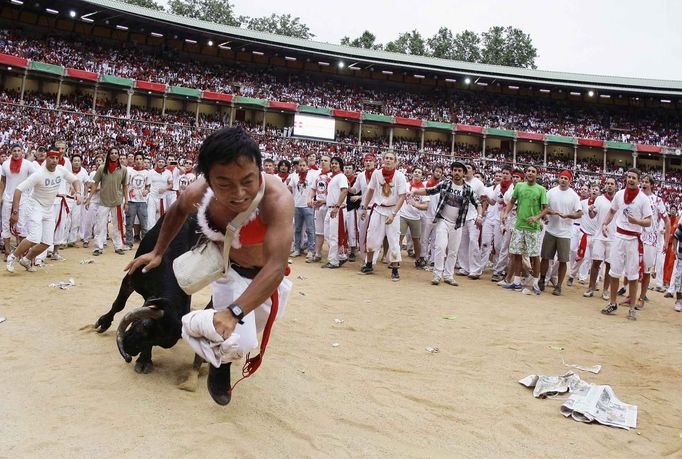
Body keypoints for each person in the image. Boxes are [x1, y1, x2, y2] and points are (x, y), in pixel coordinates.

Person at [125, 126, 294, 406]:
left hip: (268, 279)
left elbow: (275, 268)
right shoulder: (199, 192)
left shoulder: (277, 200)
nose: (239, 193)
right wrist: (158, 251)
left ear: (260, 171)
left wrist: (234, 312)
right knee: (235, 342)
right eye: (225, 183)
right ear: (208, 179)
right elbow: (178, 209)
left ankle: (206, 331)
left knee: (249, 339)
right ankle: (219, 362)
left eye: (248, 181)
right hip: (230, 271)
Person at [6, 148, 81, 272]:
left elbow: (75, 180)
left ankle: (26, 260)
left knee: (47, 242)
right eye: (52, 158)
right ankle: (12, 257)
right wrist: (15, 211)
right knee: (34, 238)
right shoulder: (39, 173)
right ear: (46, 158)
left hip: (48, 208)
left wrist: (78, 192)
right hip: (35, 206)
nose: (54, 161)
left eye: (57, 158)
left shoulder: (61, 170)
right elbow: (18, 189)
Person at [411, 161, 481, 286]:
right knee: (440, 246)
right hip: (443, 220)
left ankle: (448, 275)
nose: (457, 173)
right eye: (455, 170)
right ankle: (437, 275)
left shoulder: (468, 189)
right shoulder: (446, 184)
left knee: (453, 251)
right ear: (452, 171)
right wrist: (415, 192)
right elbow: (430, 191)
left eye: (460, 170)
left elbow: (478, 203)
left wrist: (479, 215)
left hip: (457, 224)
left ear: (464, 173)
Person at [600, 168, 652, 320]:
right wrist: (604, 224)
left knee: (633, 276)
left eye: (634, 178)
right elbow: (612, 211)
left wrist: (636, 221)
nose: (630, 179)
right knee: (614, 272)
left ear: (638, 180)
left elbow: (648, 221)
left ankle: (631, 308)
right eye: (629, 177)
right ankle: (613, 302)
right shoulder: (619, 194)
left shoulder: (643, 199)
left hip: (634, 240)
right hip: (618, 237)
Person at [500, 165, 549, 295]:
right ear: (526, 173)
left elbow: (545, 208)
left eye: (533, 171)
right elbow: (512, 201)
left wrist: (536, 217)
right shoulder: (519, 186)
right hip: (519, 225)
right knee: (516, 254)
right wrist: (506, 213)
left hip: (533, 228)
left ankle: (535, 284)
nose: (530, 173)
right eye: (528, 171)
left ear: (537, 174)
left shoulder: (541, 189)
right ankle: (516, 282)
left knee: (534, 256)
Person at [360, 151, 407, 281]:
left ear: (395, 162)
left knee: (393, 239)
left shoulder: (400, 176)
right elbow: (370, 190)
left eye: (391, 158)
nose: (388, 160)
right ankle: (369, 264)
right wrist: (364, 207)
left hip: (392, 210)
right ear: (382, 160)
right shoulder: (376, 173)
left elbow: (402, 196)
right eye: (386, 158)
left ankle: (395, 269)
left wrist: (393, 214)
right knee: (371, 236)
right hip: (378, 209)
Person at [538, 170, 582, 296]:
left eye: (566, 178)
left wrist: (568, 215)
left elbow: (579, 212)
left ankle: (558, 286)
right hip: (551, 229)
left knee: (563, 260)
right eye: (561, 177)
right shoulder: (551, 192)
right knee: (545, 257)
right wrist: (550, 213)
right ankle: (542, 279)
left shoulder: (573, 195)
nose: (563, 180)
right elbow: (544, 207)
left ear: (570, 181)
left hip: (565, 232)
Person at [85, 146, 128, 256]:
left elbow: (125, 186)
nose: (114, 154)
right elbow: (95, 184)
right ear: (108, 155)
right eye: (112, 153)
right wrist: (89, 198)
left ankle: (118, 246)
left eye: (116, 153)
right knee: (100, 225)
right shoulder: (102, 168)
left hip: (117, 201)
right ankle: (98, 247)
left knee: (117, 225)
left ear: (118, 155)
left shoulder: (123, 169)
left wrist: (126, 201)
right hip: (103, 201)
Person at [635, 175, 669, 310]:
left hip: (651, 239)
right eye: (642, 181)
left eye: (646, 182)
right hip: (636, 236)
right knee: (633, 268)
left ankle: (642, 297)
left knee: (647, 270)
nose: (643, 184)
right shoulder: (636, 197)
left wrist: (666, 241)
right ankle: (631, 295)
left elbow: (667, 221)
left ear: (652, 185)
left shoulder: (657, 200)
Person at [1, 143, 37, 260]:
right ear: (11, 152)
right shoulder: (5, 165)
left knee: (22, 225)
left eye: (18, 150)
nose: (16, 153)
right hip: (8, 198)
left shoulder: (28, 165)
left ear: (22, 152)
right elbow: (3, 181)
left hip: (23, 199)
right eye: (14, 150)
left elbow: (35, 178)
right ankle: (7, 252)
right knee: (6, 224)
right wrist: (1, 196)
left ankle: (21, 252)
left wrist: (30, 194)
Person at [584, 178, 616, 299]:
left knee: (609, 264)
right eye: (608, 183)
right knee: (596, 262)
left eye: (612, 184)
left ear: (615, 186)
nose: (609, 186)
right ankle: (591, 287)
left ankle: (606, 290)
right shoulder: (599, 199)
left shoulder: (618, 200)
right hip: (599, 235)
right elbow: (593, 216)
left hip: (613, 237)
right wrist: (590, 210)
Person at [457, 164, 485, 279]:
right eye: (465, 168)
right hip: (462, 215)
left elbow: (483, 201)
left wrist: (480, 215)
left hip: (473, 215)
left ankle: (476, 270)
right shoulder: (460, 182)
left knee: (473, 242)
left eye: (469, 168)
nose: (466, 170)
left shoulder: (478, 183)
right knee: (462, 243)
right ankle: (465, 267)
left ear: (473, 171)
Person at [399, 167, 429, 268]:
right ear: (412, 174)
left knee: (416, 240)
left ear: (422, 176)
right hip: (403, 215)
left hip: (416, 217)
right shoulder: (406, 185)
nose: (417, 173)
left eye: (419, 172)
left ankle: (418, 260)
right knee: (399, 237)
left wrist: (416, 205)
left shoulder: (423, 190)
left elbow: (426, 206)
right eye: (415, 172)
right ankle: (395, 259)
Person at [322, 156, 349, 268]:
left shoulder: (341, 176)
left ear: (340, 165)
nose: (333, 165)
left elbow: (345, 190)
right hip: (331, 208)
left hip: (337, 209)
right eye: (332, 163)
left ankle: (333, 260)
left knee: (334, 236)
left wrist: (337, 206)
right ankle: (341, 256)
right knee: (328, 234)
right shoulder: (334, 177)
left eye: (336, 163)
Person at [126, 152, 151, 249]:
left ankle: (144, 245)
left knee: (144, 225)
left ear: (143, 161)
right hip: (131, 201)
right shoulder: (130, 172)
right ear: (134, 161)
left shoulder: (147, 173)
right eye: (137, 159)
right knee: (129, 224)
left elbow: (148, 186)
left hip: (142, 202)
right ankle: (129, 243)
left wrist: (146, 190)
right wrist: (126, 200)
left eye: (140, 159)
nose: (139, 161)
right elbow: (125, 185)